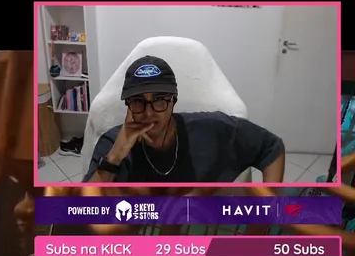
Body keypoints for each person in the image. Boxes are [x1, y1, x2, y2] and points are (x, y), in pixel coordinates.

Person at [84, 56, 285, 184]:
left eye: (159, 100)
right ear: (128, 105)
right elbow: (82, 209)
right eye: (138, 102)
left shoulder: (210, 130)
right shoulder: (113, 143)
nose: (149, 112)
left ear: (173, 101)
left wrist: (265, 213)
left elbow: (271, 146)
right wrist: (114, 157)